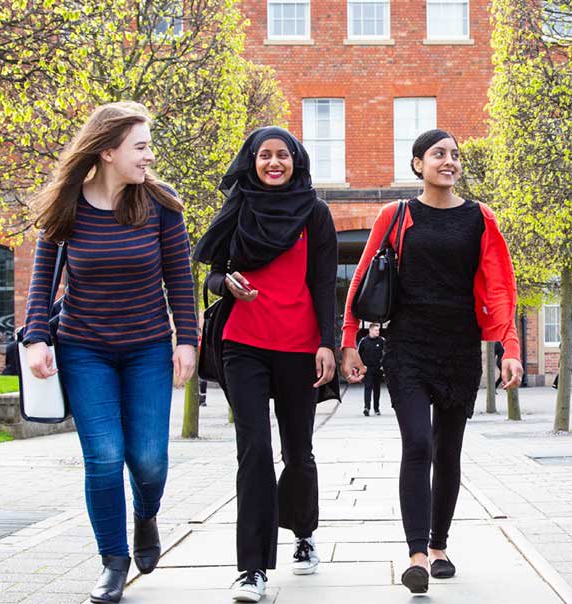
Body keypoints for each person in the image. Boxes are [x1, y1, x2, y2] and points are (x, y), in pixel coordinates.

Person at [23, 102, 197, 604]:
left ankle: (146, 515)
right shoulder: (67, 206)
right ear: (107, 151)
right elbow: (43, 279)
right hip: (84, 349)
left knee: (148, 461)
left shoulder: (161, 206)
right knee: (102, 457)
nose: (149, 155)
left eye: (148, 146)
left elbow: (178, 280)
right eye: (140, 147)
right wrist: (37, 336)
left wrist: (186, 339)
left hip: (146, 348)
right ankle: (113, 562)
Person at [341, 129, 524, 595]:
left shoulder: (480, 218)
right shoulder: (396, 215)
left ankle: (440, 545)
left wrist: (510, 348)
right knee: (418, 444)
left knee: (448, 451)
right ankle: (417, 555)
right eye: (438, 154)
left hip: (460, 349)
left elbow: (500, 286)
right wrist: (348, 340)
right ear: (418, 163)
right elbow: (362, 279)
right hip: (408, 349)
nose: (449, 161)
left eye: (455, 155)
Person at [193, 126, 337, 603]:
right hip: (243, 343)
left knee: (298, 451)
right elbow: (211, 271)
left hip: (298, 345)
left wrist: (327, 344)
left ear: (296, 160)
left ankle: (302, 531)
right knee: (254, 449)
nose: (274, 163)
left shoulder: (315, 214)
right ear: (251, 161)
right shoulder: (237, 208)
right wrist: (224, 285)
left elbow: (322, 284)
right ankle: (251, 569)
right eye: (264, 155)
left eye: (282, 155)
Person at [357, 323, 385, 416]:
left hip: (378, 369)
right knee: (368, 388)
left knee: (377, 389)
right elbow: (358, 355)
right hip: (367, 369)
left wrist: (383, 365)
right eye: (376, 330)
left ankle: (376, 408)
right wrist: (361, 367)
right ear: (371, 330)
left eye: (378, 330)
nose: (378, 332)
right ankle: (367, 408)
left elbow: (386, 354)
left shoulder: (381, 341)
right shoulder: (364, 341)